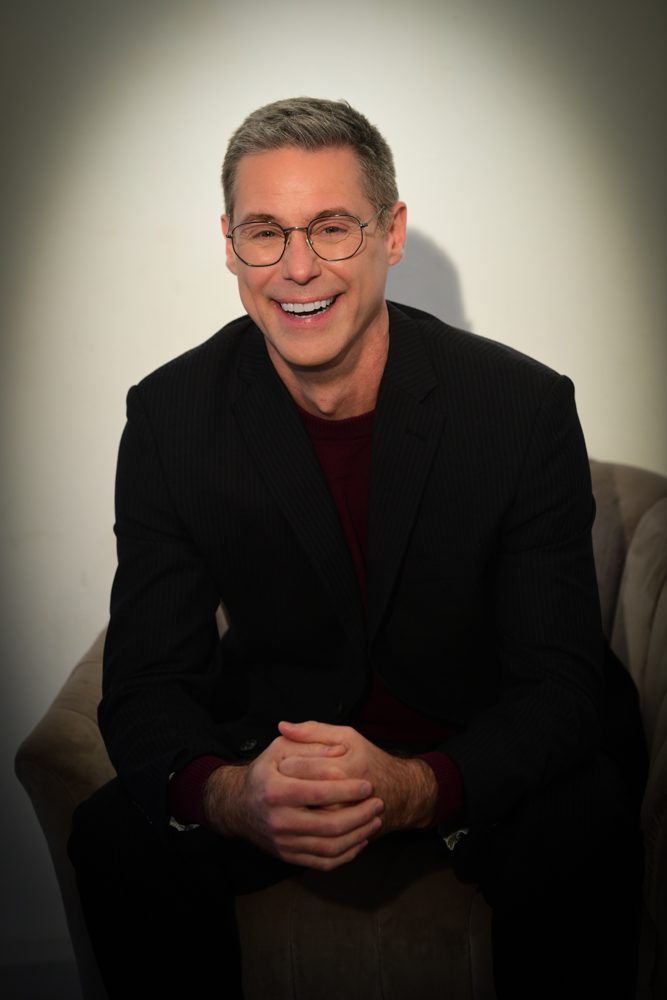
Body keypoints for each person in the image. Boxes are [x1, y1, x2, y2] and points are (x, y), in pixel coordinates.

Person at [68, 97, 645, 999]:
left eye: (332, 227)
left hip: (473, 745)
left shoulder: (519, 408)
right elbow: (146, 684)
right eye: (265, 232)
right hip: (282, 750)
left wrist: (417, 787)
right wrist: (231, 795)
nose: (297, 268)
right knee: (114, 837)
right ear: (228, 244)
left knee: (586, 823)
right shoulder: (171, 417)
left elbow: (557, 689)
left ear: (391, 233)